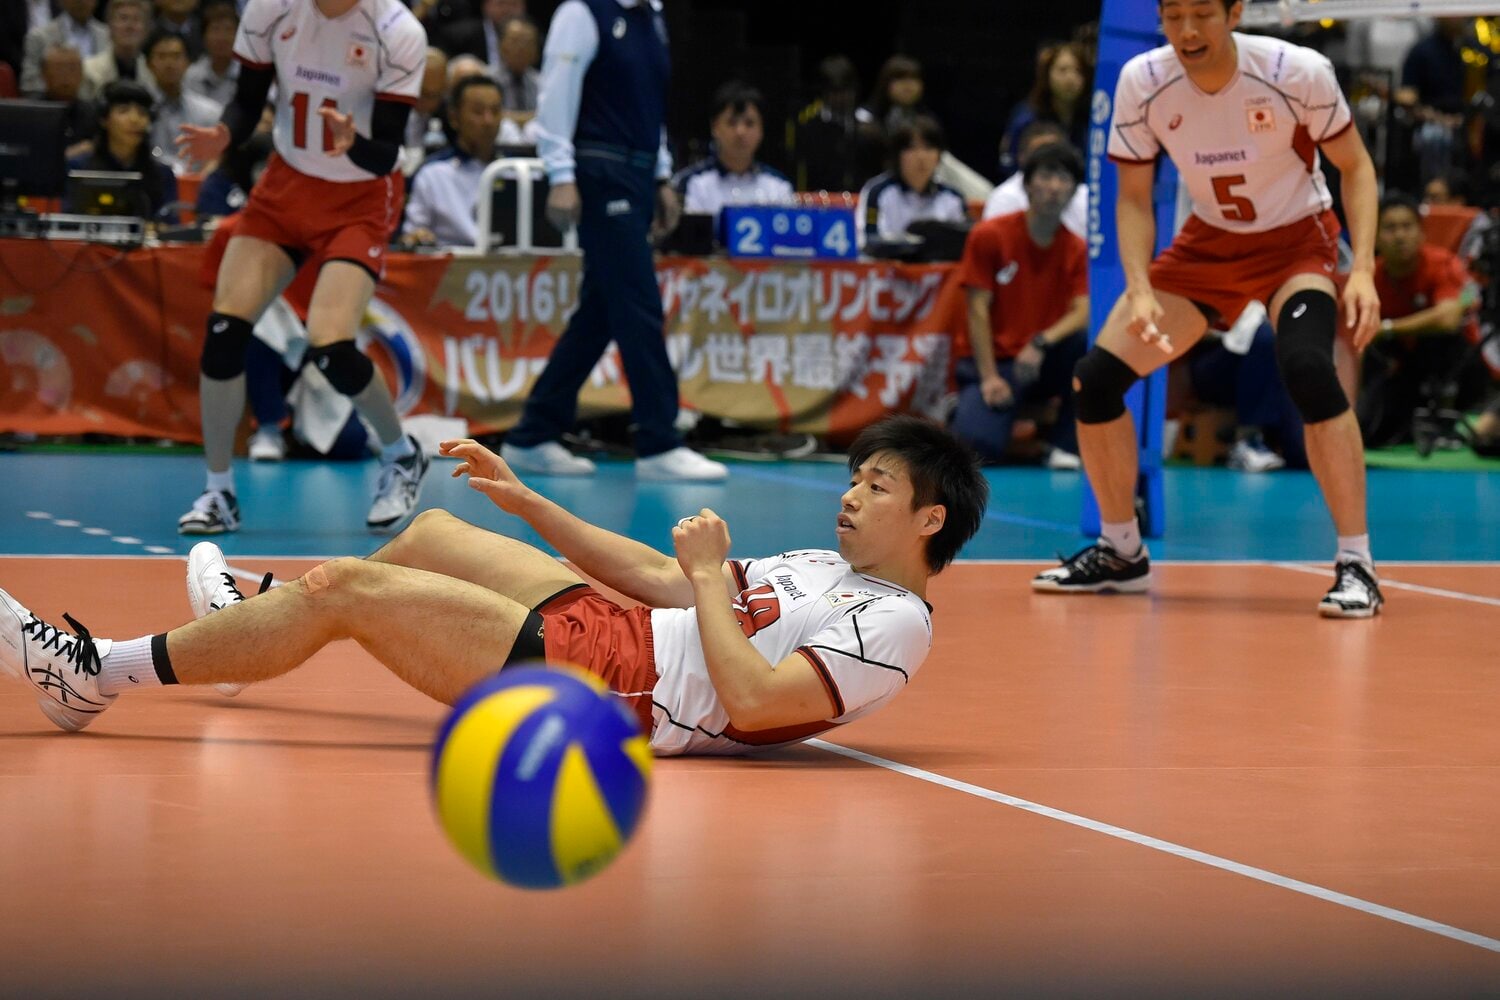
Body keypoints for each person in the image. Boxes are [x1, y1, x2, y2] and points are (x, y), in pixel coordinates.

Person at [0, 416, 989, 757]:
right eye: (855, 478)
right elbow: (651, 575)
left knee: (347, 589)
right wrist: (529, 506)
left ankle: (90, 673)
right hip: (625, 630)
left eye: (876, 485)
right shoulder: (825, 567)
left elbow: (755, 702)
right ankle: (253, 621)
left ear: (930, 519)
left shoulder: (896, 623)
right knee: (434, 529)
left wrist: (701, 581)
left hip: (623, 698)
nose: (851, 496)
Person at [1032, 0, 1385, 618]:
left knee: (1308, 371)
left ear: (1235, 13)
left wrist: (1363, 272)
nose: (1188, 31)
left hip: (1297, 239)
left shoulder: (1295, 70)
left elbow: (1355, 166)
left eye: (1202, 14)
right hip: (1208, 245)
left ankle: (1356, 564)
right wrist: (1139, 287)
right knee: (1097, 380)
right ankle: (1120, 551)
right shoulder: (1142, 81)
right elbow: (1135, 199)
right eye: (1173, 16)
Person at [173, 0, 433, 535]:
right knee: (225, 330)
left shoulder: (397, 31)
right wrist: (224, 134)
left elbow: (385, 152)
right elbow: (247, 101)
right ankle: (218, 491)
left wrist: (352, 143)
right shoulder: (271, 9)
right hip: (286, 188)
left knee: (331, 347)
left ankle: (400, 452)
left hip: (361, 196)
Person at [499, 0, 727, 482]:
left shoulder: (654, 18)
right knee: (639, 301)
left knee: (600, 311)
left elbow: (650, 105)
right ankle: (658, 439)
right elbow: (556, 99)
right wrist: (560, 174)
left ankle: (532, 433)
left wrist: (662, 175)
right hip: (600, 171)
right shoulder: (582, 13)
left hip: (640, 174)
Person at [950, 142, 1089, 467]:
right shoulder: (990, 236)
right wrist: (988, 377)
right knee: (976, 448)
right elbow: (977, 310)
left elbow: (1084, 312)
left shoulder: (1077, 248)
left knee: (1089, 346)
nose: (1054, 187)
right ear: (1026, 184)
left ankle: (1064, 445)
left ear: (1074, 190)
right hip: (996, 364)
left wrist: (1042, 342)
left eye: (1064, 179)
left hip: (1042, 361)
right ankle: (966, 406)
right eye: (1046, 177)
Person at [1358, 192, 1484, 447]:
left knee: (1443, 338)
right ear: (1375, 237)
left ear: (1421, 232)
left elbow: (1448, 318)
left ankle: (1453, 419)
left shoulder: (1443, 263)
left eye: (1407, 227)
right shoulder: (1368, 276)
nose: (1400, 236)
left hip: (1454, 369)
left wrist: (1388, 328)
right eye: (1390, 228)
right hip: (1400, 368)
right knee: (1367, 430)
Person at [401, 74, 520, 247]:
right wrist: (417, 236)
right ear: (454, 118)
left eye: (495, 111)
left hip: (509, 266)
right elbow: (412, 234)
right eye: (478, 112)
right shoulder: (432, 173)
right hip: (450, 265)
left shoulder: (517, 172)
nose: (488, 121)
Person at [671, 80, 793, 231]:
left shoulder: (779, 185)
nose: (740, 132)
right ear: (715, 127)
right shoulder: (690, 183)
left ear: (761, 129)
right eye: (732, 122)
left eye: (749, 123)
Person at [65, 79, 179, 221]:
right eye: (123, 111)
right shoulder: (78, 170)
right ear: (104, 119)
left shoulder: (162, 174)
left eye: (142, 113)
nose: (134, 119)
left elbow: (170, 229)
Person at [856, 115, 966, 245]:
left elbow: (962, 244)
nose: (921, 156)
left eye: (928, 148)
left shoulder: (953, 198)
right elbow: (870, 239)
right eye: (911, 148)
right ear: (897, 155)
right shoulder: (876, 193)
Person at [999, 41, 1092, 181]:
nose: (1070, 78)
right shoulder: (1026, 118)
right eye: (1062, 70)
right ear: (1047, 74)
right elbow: (1009, 166)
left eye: (1078, 71)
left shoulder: (1093, 119)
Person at [981, 122, 1087, 239]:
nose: (1054, 187)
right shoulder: (1005, 198)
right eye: (1040, 153)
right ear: (1022, 158)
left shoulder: (1087, 198)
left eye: (1055, 153)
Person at [143, 30, 221, 173]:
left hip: (196, 185)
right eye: (161, 56)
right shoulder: (139, 111)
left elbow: (216, 157)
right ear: (148, 63)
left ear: (188, 63)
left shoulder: (210, 112)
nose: (169, 63)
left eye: (176, 56)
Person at [788, 53, 865, 193]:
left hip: (856, 198)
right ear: (824, 92)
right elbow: (800, 169)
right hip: (820, 200)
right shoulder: (806, 124)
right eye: (836, 91)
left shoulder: (864, 122)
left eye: (847, 90)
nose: (843, 97)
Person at [20, 0, 108, 98]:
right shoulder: (39, 38)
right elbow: (30, 84)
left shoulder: (108, 36)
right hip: (54, 108)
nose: (81, 2)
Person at [82, 0, 154, 95]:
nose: (130, 26)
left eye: (136, 19)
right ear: (110, 27)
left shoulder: (152, 72)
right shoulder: (89, 71)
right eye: (123, 18)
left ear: (146, 30)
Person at [183, 1, 237, 107]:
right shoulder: (192, 75)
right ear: (204, 36)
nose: (222, 37)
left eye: (228, 30)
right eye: (215, 30)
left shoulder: (248, 74)